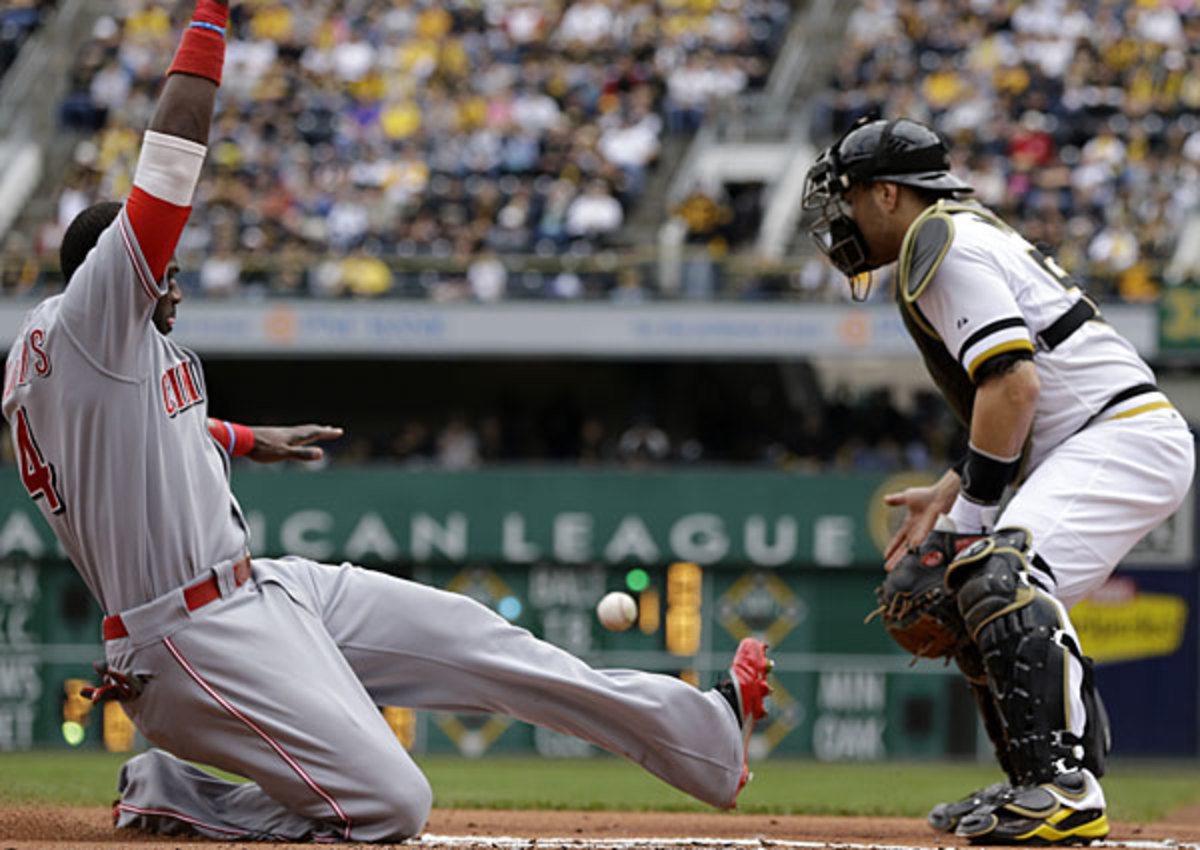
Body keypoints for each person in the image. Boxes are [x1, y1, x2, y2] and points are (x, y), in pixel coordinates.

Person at [1, 2, 772, 841]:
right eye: (163, 274)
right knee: (392, 805)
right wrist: (212, 16)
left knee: (477, 636)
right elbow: (170, 164)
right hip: (189, 636)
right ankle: (181, 796)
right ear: (111, 276)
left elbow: (140, 442)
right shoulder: (97, 315)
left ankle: (707, 734)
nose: (173, 285)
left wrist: (248, 439)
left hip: (260, 589)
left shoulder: (58, 355)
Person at [803, 117, 1194, 845]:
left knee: (992, 573)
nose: (840, 218)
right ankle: (1035, 782)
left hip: (1120, 434)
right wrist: (956, 486)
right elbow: (1022, 388)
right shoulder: (956, 236)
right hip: (1093, 436)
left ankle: (1064, 790)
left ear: (887, 194)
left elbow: (1013, 384)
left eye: (848, 198)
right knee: (977, 595)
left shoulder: (940, 246)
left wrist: (971, 521)